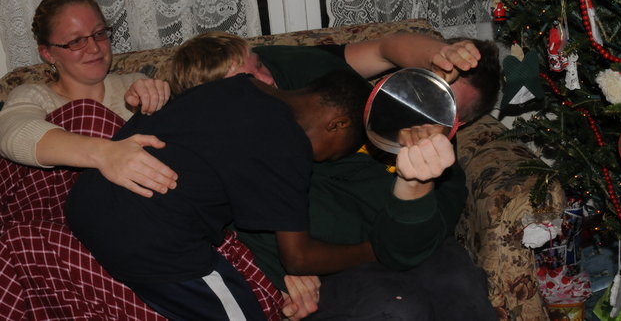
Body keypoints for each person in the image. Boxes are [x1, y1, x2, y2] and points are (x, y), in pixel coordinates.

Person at [64, 50, 394, 319]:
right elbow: (298, 258)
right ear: (338, 124)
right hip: (148, 238)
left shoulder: (238, 85)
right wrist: (378, 250)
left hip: (88, 199)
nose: (332, 159)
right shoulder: (287, 143)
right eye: (346, 148)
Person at [232, 34, 501, 319]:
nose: (419, 110)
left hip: (403, 249)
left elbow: (410, 249)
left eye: (443, 105)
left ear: (459, 123)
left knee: (460, 289)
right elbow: (384, 48)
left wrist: (416, 185)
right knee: (396, 308)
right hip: (331, 264)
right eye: (422, 87)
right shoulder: (336, 92)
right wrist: (273, 269)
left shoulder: (447, 179)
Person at [0, 0, 177, 197]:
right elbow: (11, 132)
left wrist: (158, 103)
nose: (94, 48)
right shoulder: (33, 95)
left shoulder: (136, 84)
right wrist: (105, 153)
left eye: (99, 34)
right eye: (76, 41)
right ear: (48, 54)